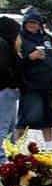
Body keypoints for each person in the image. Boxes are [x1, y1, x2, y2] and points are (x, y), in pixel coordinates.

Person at [15, 10, 52, 144]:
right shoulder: (20, 39)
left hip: (48, 85)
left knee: (48, 119)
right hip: (30, 86)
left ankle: (49, 148)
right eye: (29, 22)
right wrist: (29, 58)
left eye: (34, 22)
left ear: (40, 24)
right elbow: (15, 63)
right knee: (27, 118)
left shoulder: (47, 38)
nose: (32, 25)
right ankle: (15, 149)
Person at [0, 19, 21, 152]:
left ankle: (11, 155)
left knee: (10, 127)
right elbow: (3, 68)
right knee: (4, 126)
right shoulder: (3, 45)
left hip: (7, 90)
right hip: (5, 89)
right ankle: (2, 160)